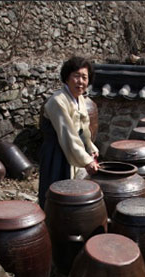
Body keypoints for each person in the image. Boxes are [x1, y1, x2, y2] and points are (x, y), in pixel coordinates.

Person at [38, 56, 100, 208]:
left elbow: (84, 128)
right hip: (57, 152)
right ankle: (49, 226)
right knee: (55, 192)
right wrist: (86, 160)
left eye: (84, 77)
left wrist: (91, 147)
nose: (80, 82)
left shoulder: (80, 99)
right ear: (67, 78)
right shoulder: (58, 101)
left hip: (72, 150)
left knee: (72, 192)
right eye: (76, 76)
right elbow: (68, 134)